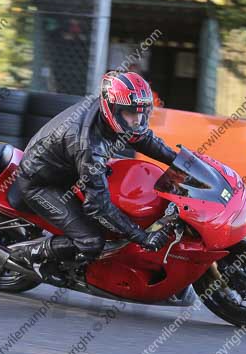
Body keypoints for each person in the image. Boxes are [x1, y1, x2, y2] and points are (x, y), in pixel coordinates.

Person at [9, 70, 177, 276]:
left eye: (141, 112)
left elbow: (145, 139)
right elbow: (97, 205)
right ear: (112, 108)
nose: (137, 119)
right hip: (42, 183)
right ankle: (27, 252)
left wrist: (181, 161)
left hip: (69, 170)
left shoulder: (114, 116)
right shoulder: (88, 146)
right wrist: (141, 237)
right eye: (132, 113)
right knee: (91, 241)